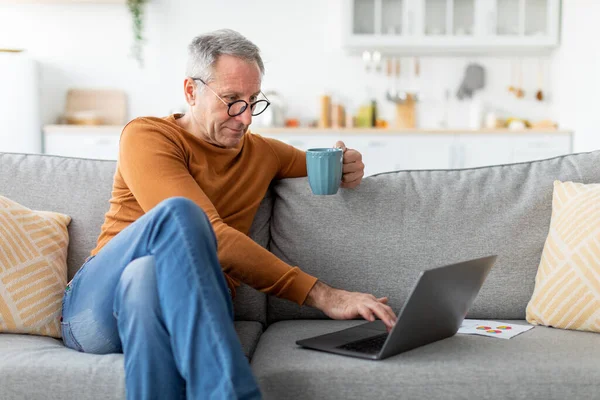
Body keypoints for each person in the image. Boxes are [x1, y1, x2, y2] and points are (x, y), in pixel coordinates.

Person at [60, 29, 397, 399]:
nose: (247, 117)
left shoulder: (263, 153)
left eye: (254, 101)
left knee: (148, 276)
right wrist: (323, 294)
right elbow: (213, 236)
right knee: (181, 216)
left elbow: (322, 162)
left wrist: (348, 165)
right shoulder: (148, 137)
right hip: (97, 309)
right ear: (191, 91)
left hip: (170, 303)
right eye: (233, 100)